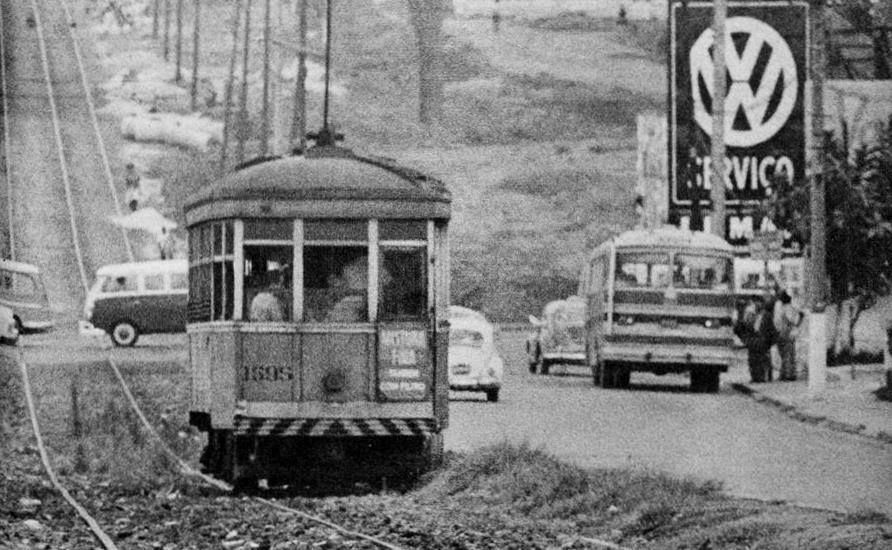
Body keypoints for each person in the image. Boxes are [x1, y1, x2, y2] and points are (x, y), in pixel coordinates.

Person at [735, 298, 776, 383]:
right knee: (753, 361)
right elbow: (745, 327)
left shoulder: (766, 315)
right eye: (755, 304)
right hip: (753, 341)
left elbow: (771, 330)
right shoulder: (751, 315)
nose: (757, 306)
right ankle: (755, 377)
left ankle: (764, 377)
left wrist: (769, 342)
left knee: (763, 360)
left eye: (759, 304)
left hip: (762, 342)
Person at [773, 290, 802, 381]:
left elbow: (791, 320)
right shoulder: (787, 308)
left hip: (785, 332)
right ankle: (787, 374)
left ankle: (788, 375)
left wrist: (796, 324)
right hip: (786, 332)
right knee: (787, 354)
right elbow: (795, 320)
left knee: (787, 354)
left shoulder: (787, 308)